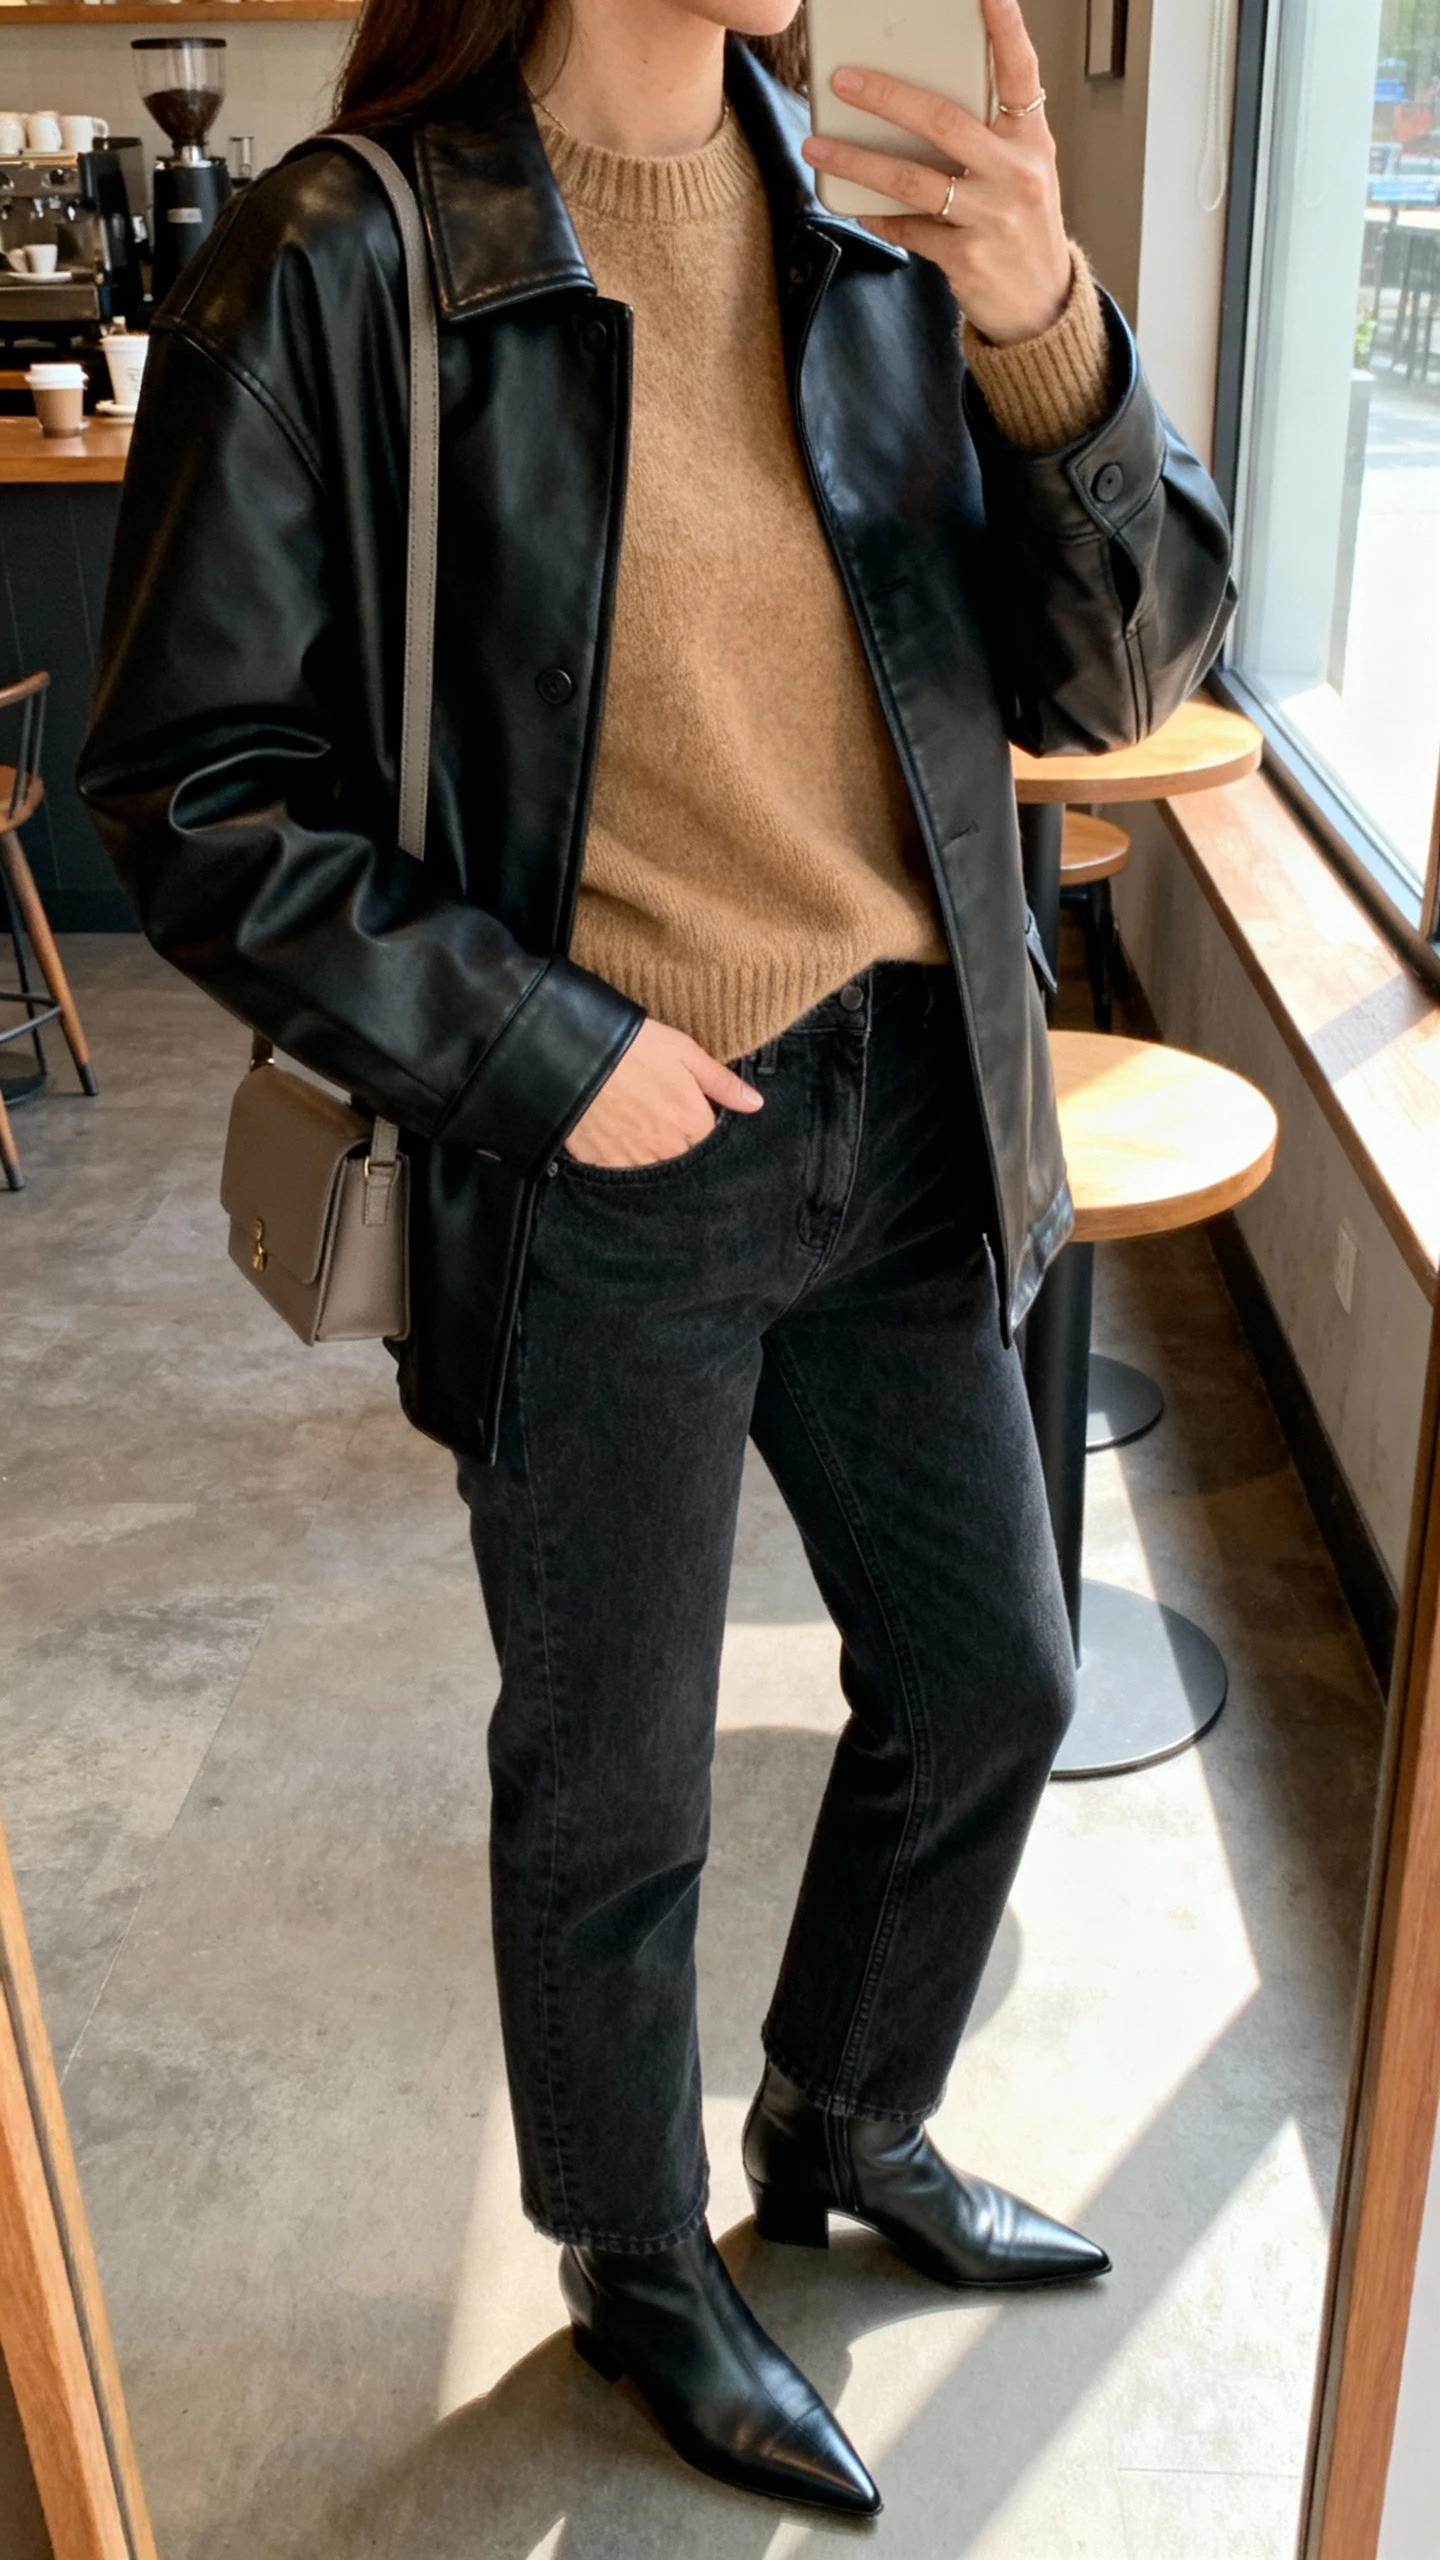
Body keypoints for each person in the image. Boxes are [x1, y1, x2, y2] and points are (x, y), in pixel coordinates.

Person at [81, 0, 1234, 2519]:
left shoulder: (888, 234)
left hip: (909, 1104)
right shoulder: (346, 258)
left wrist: (1055, 341)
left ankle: (844, 2111)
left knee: (996, 1675)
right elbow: (190, 782)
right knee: (608, 1782)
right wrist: (536, 1045)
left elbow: (1127, 666)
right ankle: (630, 2248)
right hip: (602, 1141)